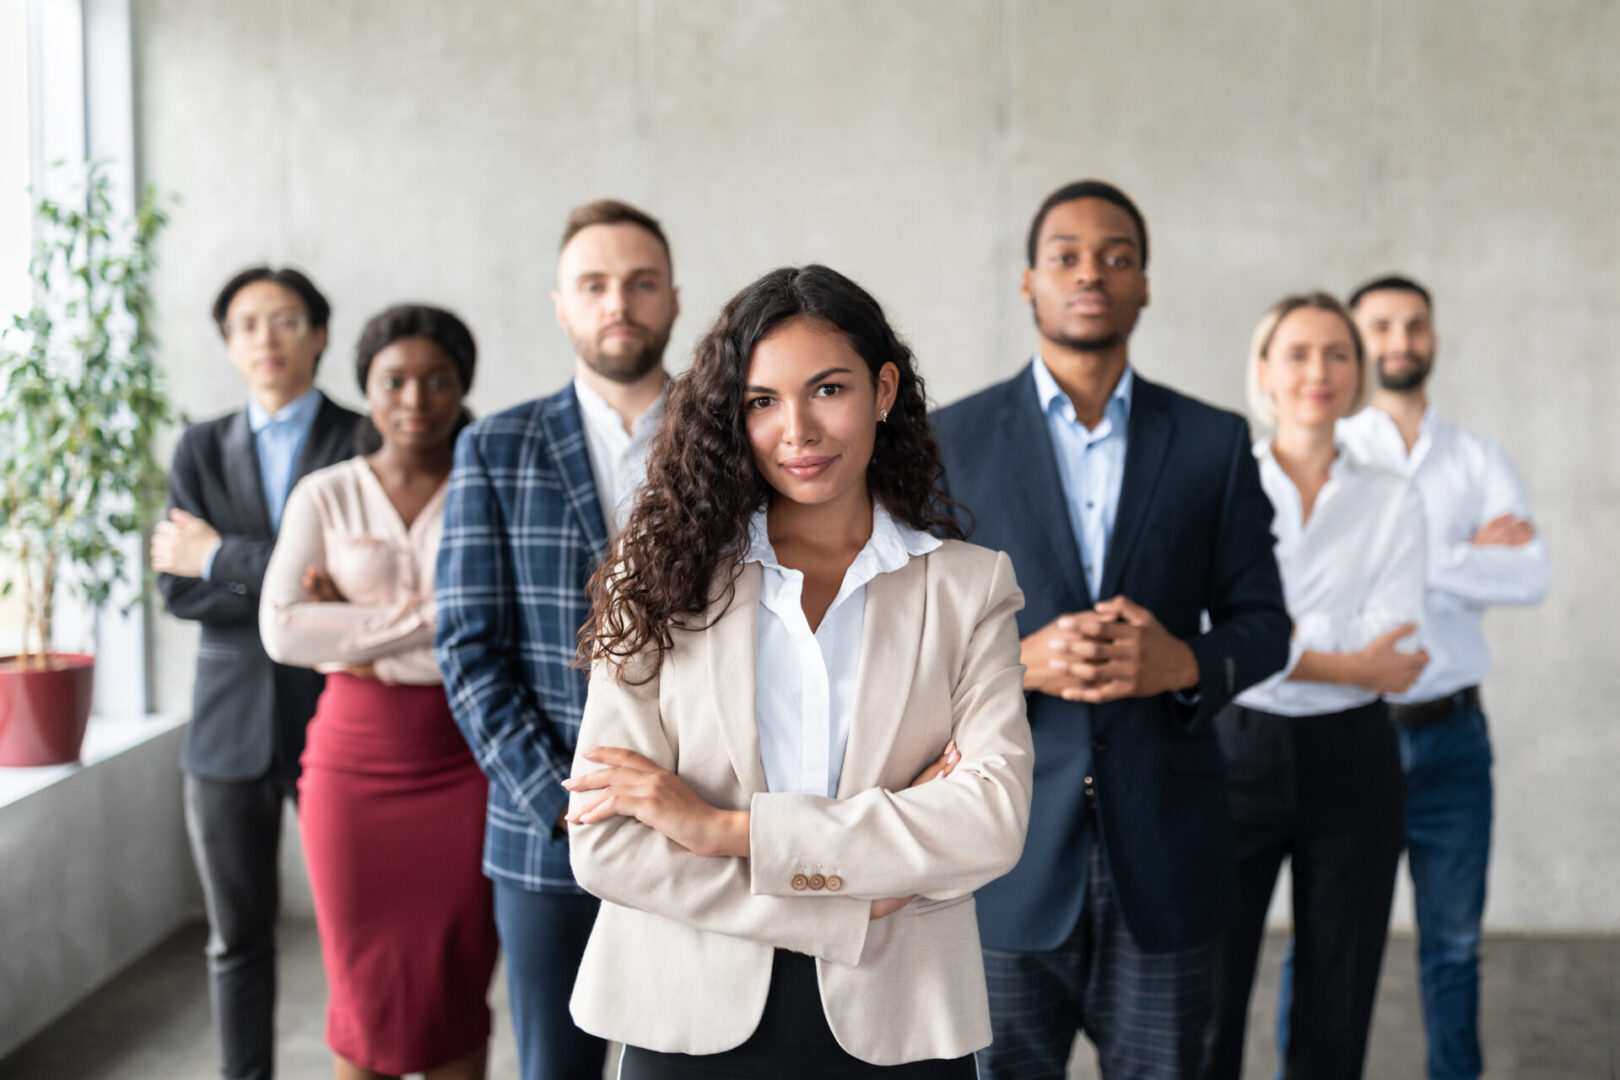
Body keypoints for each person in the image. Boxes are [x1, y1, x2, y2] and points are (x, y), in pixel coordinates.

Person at [563, 263, 1034, 1078]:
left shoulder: (967, 587)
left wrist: (722, 831)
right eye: (762, 401)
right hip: (687, 1022)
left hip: (900, 1024)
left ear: (884, 390)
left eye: (828, 390)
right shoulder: (660, 572)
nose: (798, 431)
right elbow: (608, 846)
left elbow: (989, 820)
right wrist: (856, 903)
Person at [930, 180, 1292, 1080]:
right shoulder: (950, 441)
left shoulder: (1212, 442)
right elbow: (901, 640)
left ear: (1144, 285)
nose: (1091, 272)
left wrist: (1185, 661)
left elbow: (1267, 624)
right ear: (1029, 282)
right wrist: (1015, 663)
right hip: (1002, 856)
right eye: (1067, 256)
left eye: (1116, 257)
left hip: (1167, 856)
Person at [1273, 276, 1551, 1080]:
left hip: (1453, 740)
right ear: (1359, 349)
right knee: (1322, 947)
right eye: (1382, 326)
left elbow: (1531, 576)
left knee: (1455, 949)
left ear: (1432, 338)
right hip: (1347, 733)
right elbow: (1295, 605)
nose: (1401, 340)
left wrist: (1406, 559)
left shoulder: (1475, 456)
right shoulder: (1328, 448)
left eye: (1415, 325)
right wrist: (1466, 556)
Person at [435, 198, 679, 1080]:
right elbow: (466, 649)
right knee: (555, 1067)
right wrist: (559, 801)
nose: (620, 301)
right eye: (596, 284)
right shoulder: (496, 447)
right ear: (563, 306)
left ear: (674, 300)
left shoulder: (733, 437)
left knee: (690, 1057)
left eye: (641, 282)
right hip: (543, 833)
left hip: (702, 821)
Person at [259, 305, 496, 1080]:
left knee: (457, 987)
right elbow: (285, 631)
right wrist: (442, 620)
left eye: (438, 381)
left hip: (465, 760)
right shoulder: (324, 495)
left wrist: (352, 625)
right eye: (394, 380)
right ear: (366, 385)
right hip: (351, 768)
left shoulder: (487, 489)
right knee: (361, 992)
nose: (416, 399)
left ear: (462, 387)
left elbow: (511, 623)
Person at [1200, 293, 1428, 1080]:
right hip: (1235, 750)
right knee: (1210, 989)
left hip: (1353, 754)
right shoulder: (1224, 482)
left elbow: (1395, 636)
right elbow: (1208, 625)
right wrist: (1341, 650)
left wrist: (1270, 637)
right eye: (1297, 353)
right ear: (1264, 370)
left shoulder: (1393, 495)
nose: (1318, 371)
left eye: (1338, 353)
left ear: (1359, 371)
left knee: (1341, 985)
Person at [152, 266, 361, 1080]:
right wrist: (286, 581)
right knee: (235, 939)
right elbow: (176, 587)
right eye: (246, 325)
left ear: (319, 333)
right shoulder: (199, 447)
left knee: (355, 931)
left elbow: (359, 585)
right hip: (225, 730)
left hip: (338, 715)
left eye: (284, 320)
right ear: (229, 345)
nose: (265, 338)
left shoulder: (364, 437)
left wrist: (219, 557)